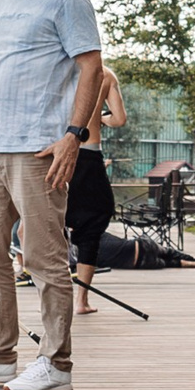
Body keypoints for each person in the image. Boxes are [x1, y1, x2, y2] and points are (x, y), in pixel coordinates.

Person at [0, 0, 105, 390]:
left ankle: (56, 363)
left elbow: (91, 68)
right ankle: (0, 356)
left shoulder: (68, 0)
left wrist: (74, 134)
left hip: (41, 150)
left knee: (44, 259)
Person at [69, 64, 126, 314]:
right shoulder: (105, 74)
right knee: (95, 220)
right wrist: (100, 118)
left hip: (54, 152)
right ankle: (80, 301)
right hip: (88, 155)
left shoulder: (59, 68)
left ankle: (51, 294)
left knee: (45, 222)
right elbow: (119, 119)